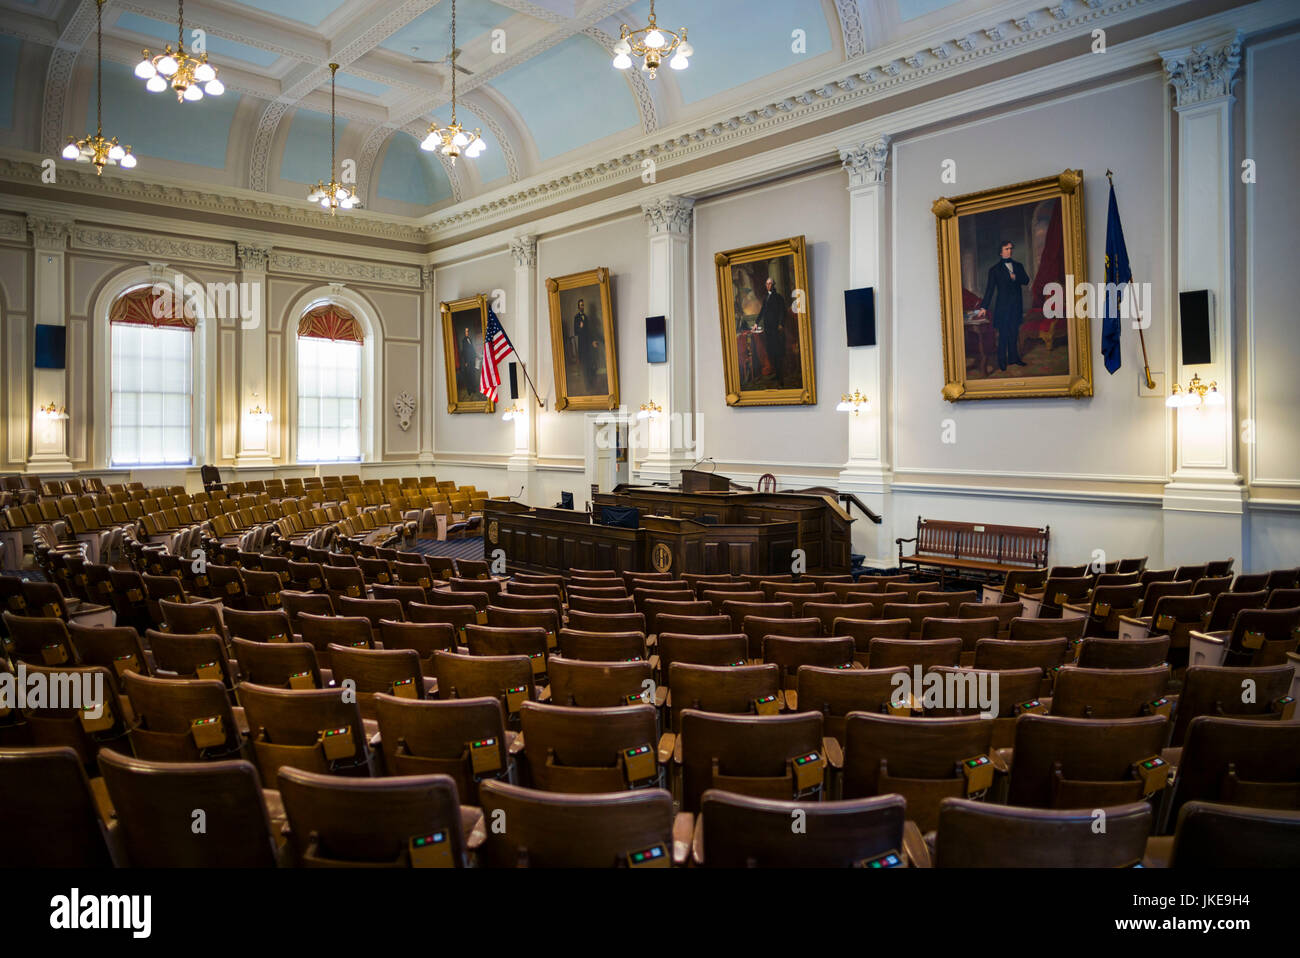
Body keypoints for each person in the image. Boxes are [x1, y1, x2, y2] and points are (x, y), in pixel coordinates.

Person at [977, 240, 1030, 370]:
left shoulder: (1018, 266)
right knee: (1003, 335)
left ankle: (1014, 358)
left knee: (1013, 333)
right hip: (1003, 308)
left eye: (1011, 248)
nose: (1010, 251)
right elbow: (990, 290)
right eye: (1007, 249)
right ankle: (1002, 362)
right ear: (1001, 252)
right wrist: (984, 307)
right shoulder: (994, 270)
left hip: (1016, 306)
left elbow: (1026, 280)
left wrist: (1015, 277)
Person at [756, 277, 787, 385]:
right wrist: (756, 323)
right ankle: (776, 374)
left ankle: (780, 378)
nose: (768, 285)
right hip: (768, 330)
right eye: (767, 284)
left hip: (775, 329)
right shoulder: (766, 298)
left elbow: (782, 312)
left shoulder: (778, 298)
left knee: (777, 352)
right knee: (770, 352)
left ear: (774, 285)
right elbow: (761, 312)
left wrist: (780, 324)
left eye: (770, 284)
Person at [574, 298, 598, 390]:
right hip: (582, 345)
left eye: (583, 305)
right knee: (584, 365)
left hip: (588, 344)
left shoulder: (586, 317)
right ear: (578, 307)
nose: (582, 307)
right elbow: (576, 332)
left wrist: (593, 341)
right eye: (580, 305)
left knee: (590, 364)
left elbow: (589, 332)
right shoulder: (576, 318)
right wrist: (580, 328)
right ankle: (587, 386)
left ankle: (590, 385)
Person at [457, 325, 478, 399]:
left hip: (472, 360)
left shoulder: (470, 339)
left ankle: (473, 389)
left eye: (468, 331)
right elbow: (464, 352)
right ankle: (469, 390)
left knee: (472, 375)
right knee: (468, 376)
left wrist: (475, 356)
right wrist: (465, 361)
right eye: (466, 331)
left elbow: (472, 349)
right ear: (464, 333)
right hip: (467, 362)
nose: (467, 332)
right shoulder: (463, 340)